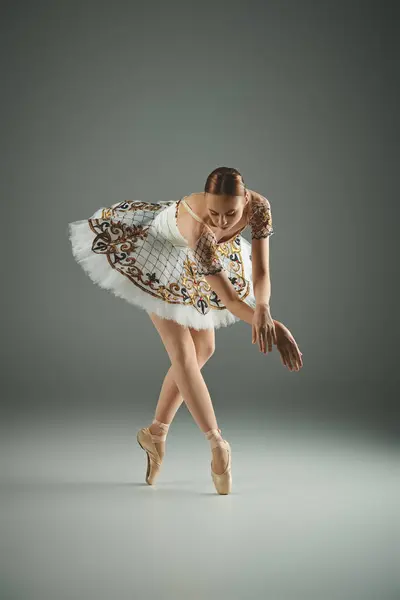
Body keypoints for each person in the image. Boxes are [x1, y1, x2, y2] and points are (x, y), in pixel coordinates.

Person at [68, 166, 303, 495]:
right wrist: (273, 328)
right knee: (183, 353)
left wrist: (264, 309)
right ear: (205, 201)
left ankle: (155, 433)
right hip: (158, 252)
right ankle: (217, 443)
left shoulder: (259, 208)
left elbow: (261, 271)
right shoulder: (200, 229)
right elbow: (231, 300)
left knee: (205, 349)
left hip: (193, 263)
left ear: (246, 199)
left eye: (231, 214)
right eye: (214, 212)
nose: (222, 222)